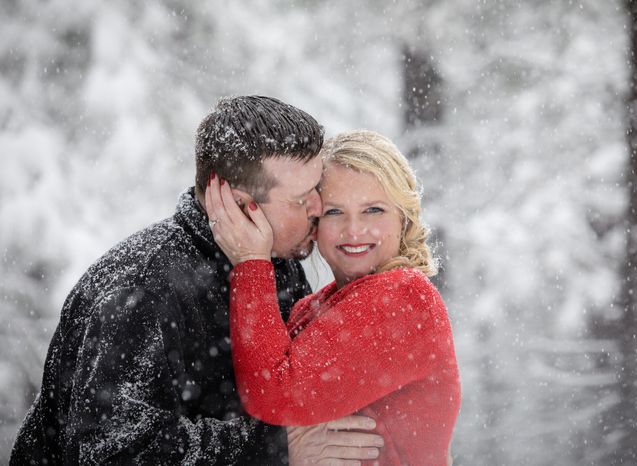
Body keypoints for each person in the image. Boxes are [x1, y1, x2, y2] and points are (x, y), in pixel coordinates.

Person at [11, 96, 384, 465]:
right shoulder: (140, 290)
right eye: (302, 201)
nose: (320, 209)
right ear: (240, 205)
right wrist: (274, 448)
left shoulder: (276, 262)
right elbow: (110, 451)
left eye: (317, 190)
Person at [205, 130, 462, 465]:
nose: (354, 230)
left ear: (404, 216)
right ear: (314, 223)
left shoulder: (405, 298)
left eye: (373, 210)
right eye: (334, 212)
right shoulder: (311, 307)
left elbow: (275, 395)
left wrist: (251, 263)